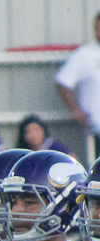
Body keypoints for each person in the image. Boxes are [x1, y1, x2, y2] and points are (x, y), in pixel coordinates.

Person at [56, 13, 100, 147]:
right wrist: (75, 111)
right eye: (97, 29)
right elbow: (63, 82)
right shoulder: (84, 55)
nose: (99, 33)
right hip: (96, 131)